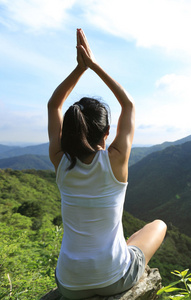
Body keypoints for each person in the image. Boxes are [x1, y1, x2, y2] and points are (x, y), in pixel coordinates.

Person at [47, 28, 167, 299]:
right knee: (157, 225)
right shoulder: (115, 161)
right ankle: (116, 257)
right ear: (107, 131)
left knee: (127, 240)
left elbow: (54, 105)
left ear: (68, 132)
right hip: (114, 278)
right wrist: (93, 65)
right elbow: (129, 104)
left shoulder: (60, 164)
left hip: (69, 284)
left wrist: (79, 70)